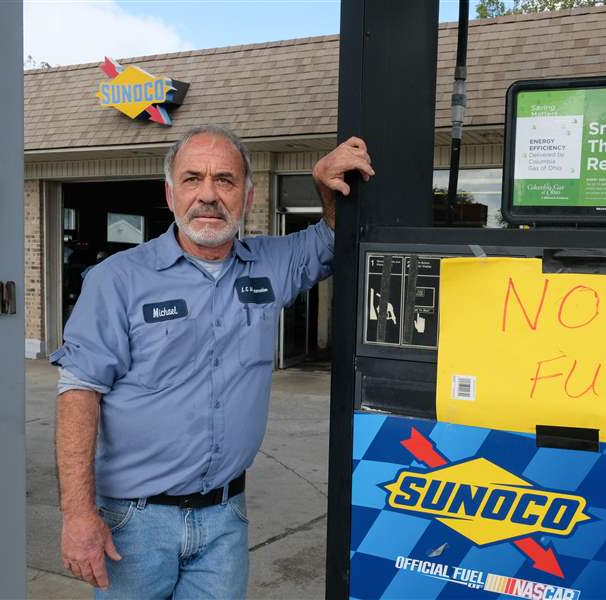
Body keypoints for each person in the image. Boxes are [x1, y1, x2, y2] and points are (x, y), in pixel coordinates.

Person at [51, 125, 373, 598]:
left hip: (224, 520)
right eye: (192, 179)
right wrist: (78, 514)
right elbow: (79, 394)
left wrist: (325, 188)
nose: (208, 195)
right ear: (170, 194)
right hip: (134, 524)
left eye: (224, 179)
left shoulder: (269, 264)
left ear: (247, 194)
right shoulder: (117, 280)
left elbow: (335, 237)